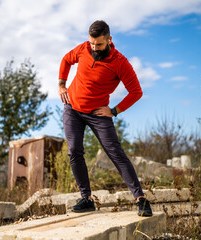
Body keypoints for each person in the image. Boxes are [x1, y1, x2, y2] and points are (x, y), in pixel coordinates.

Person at [58, 20, 152, 217]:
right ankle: (87, 199)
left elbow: (136, 92)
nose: (94, 48)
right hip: (72, 109)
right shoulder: (83, 49)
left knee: (115, 153)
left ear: (109, 40)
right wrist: (61, 84)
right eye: (92, 43)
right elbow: (66, 60)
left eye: (98, 44)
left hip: (98, 114)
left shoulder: (120, 62)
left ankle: (140, 199)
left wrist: (114, 110)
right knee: (74, 150)